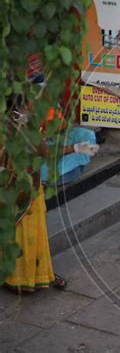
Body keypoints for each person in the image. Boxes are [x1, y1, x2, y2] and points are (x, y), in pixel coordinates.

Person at [2, 97, 67, 293]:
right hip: (21, 188)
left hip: (19, 187)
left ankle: (28, 276)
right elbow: (43, 151)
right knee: (27, 233)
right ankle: (24, 278)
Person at [40, 108, 99, 185]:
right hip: (50, 168)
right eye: (51, 122)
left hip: (61, 142)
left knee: (89, 135)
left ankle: (79, 157)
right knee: (44, 169)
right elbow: (47, 152)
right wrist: (74, 148)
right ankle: (80, 157)